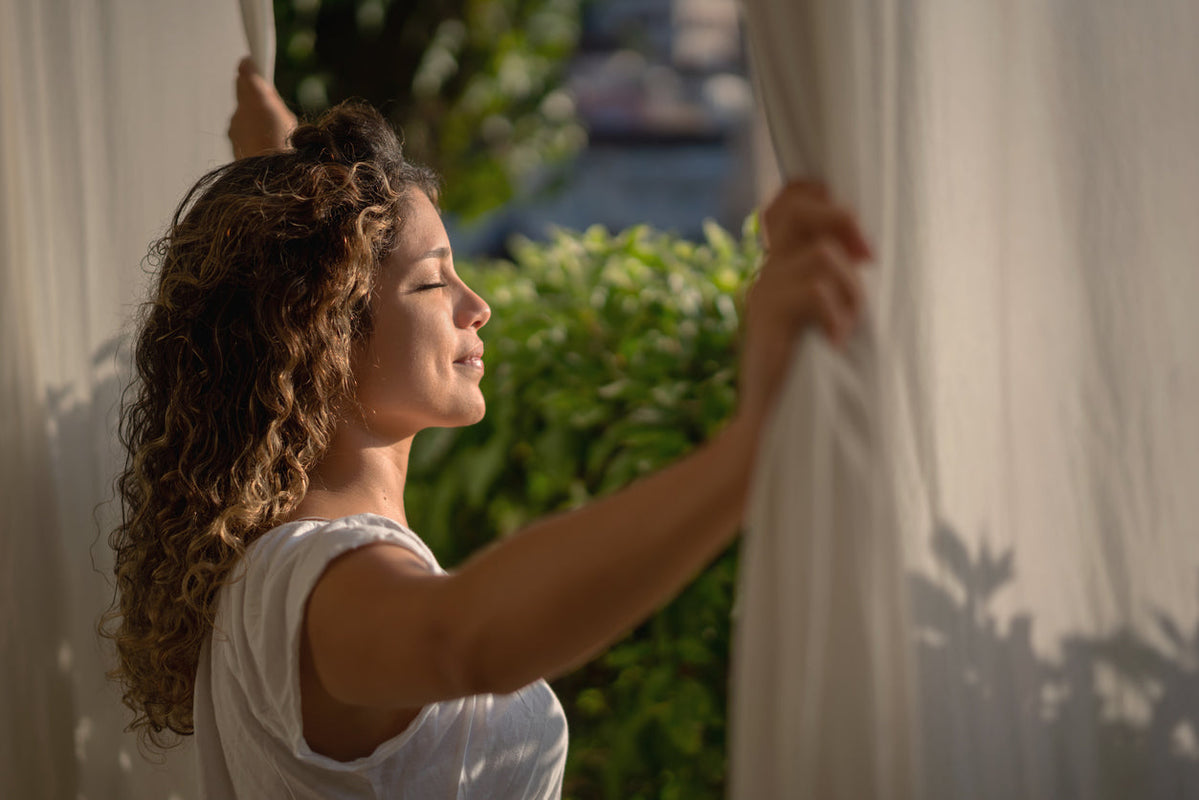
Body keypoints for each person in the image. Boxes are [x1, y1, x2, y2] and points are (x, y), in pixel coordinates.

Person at [102, 57, 872, 798]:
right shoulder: (318, 575)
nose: (478, 306)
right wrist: (745, 453)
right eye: (434, 280)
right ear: (323, 328)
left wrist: (273, 155)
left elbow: (287, 285)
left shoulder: (265, 571)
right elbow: (458, 639)